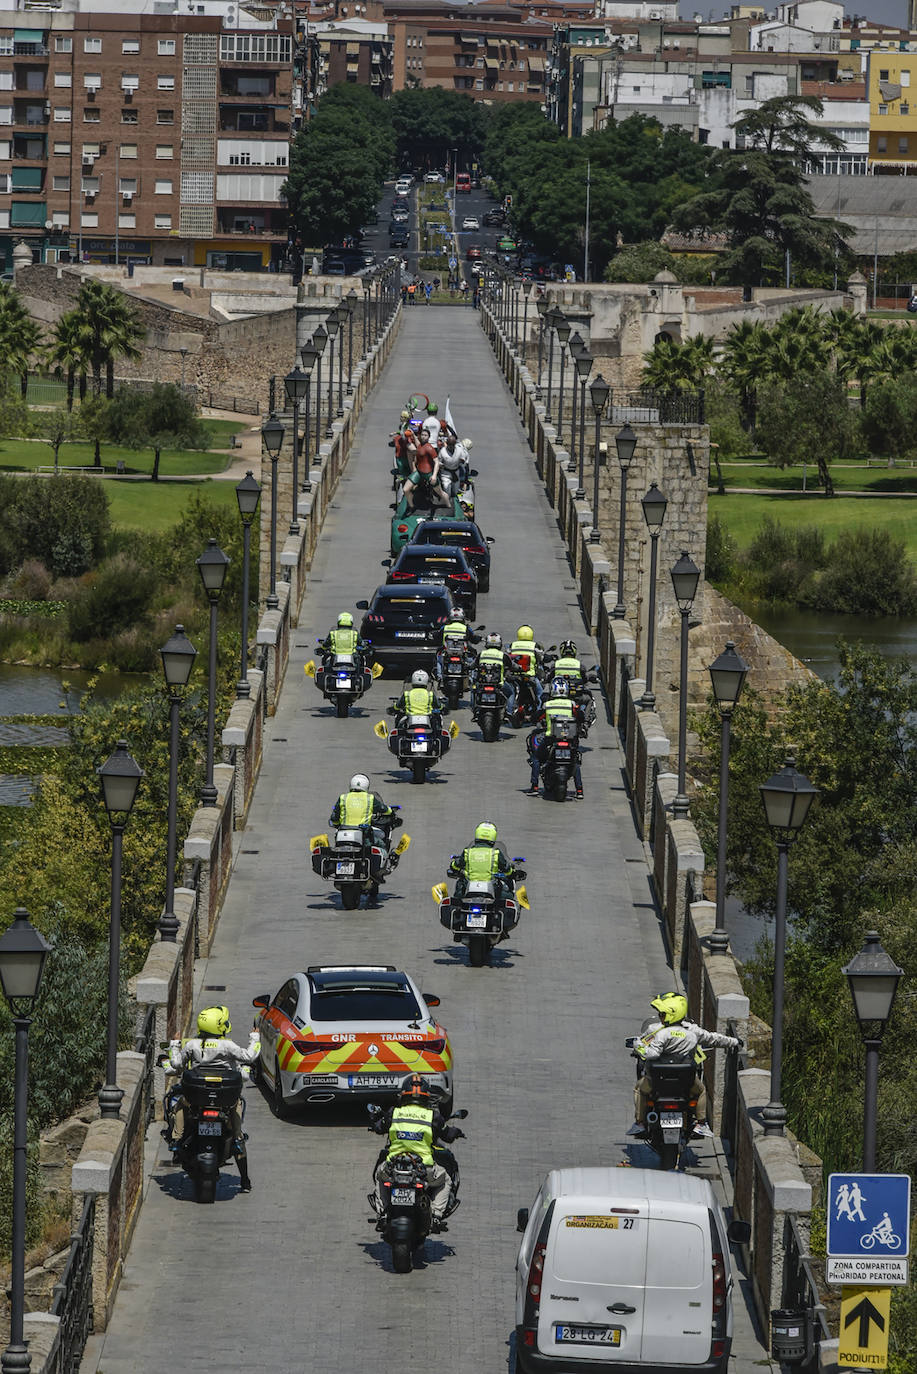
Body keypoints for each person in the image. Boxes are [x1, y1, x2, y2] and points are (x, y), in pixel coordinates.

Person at [165, 1006, 260, 1192]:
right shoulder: (228, 1045)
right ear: (220, 1026)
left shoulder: (192, 1045)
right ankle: (245, 1180)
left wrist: (175, 1045)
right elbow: (249, 1056)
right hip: (226, 1101)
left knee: (179, 1106)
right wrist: (254, 1038)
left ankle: (176, 1140)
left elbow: (176, 1064)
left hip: (196, 1100)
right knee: (238, 1136)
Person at [626, 993, 742, 1141]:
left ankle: (640, 1123)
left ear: (670, 1014)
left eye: (662, 1014)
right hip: (685, 1083)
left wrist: (638, 1046)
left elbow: (647, 1050)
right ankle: (701, 1123)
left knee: (639, 1089)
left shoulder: (656, 1030)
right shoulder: (692, 1031)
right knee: (701, 1091)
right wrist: (734, 1041)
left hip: (656, 1081)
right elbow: (713, 1039)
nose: (660, 1016)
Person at [370, 1074, 464, 1228]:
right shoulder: (432, 1116)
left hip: (394, 1167)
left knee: (379, 1175)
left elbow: (380, 1127)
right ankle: (436, 1215)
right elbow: (447, 1134)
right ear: (426, 1097)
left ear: (403, 1095)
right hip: (424, 1169)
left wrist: (375, 1121)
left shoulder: (394, 1113)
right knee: (446, 1179)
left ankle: (382, 1212)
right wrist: (456, 1132)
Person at [328, 773, 402, 903]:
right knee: (381, 844)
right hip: (363, 835)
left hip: (343, 835)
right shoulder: (369, 799)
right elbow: (384, 809)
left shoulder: (343, 798)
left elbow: (334, 818)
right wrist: (391, 812)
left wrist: (336, 824)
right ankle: (382, 869)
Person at [526, 679, 584, 797]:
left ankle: (535, 786)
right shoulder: (571, 704)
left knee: (536, 758)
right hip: (569, 740)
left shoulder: (548, 705)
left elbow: (536, 717)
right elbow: (581, 717)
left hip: (550, 740)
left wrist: (531, 718)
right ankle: (579, 790)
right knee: (575, 761)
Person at [448, 820, 517, 904]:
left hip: (469, 887)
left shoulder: (467, 852)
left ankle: (457, 913)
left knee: (458, 894)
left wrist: (454, 866)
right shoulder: (496, 853)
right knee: (508, 897)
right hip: (492, 888)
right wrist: (511, 872)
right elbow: (507, 869)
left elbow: (455, 866)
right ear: (493, 835)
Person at [473, 631, 515, 719]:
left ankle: (475, 709)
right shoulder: (503, 655)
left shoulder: (481, 654)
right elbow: (512, 666)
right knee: (511, 693)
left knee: (474, 690)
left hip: (482, 684)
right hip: (499, 684)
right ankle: (509, 712)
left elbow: (473, 665)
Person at [402, 426, 445, 505]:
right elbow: (417, 444)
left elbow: (436, 462)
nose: (423, 436)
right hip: (419, 471)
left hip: (428, 472)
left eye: (425, 435)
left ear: (429, 437)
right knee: (407, 489)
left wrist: (434, 475)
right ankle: (412, 505)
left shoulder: (429, 448)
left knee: (438, 490)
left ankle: (441, 499)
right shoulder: (418, 446)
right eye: (422, 435)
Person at [509, 624, 545, 712]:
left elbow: (508, 657)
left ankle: (509, 711)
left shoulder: (512, 645)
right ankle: (539, 712)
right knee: (540, 693)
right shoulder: (534, 646)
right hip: (530, 676)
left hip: (515, 676)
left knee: (510, 692)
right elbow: (541, 658)